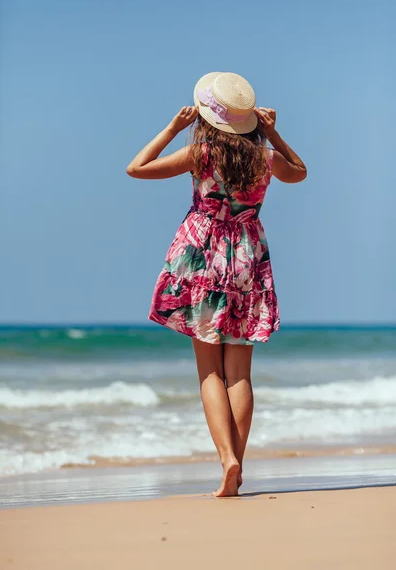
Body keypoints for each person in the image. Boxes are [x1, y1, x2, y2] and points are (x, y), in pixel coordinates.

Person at [126, 72, 307, 497]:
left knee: (209, 370)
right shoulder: (265, 160)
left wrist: (172, 128)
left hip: (201, 255)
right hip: (247, 257)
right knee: (239, 374)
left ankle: (226, 460)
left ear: (208, 119)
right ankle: (236, 466)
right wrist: (274, 137)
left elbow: (137, 168)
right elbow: (299, 172)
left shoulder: (200, 154)